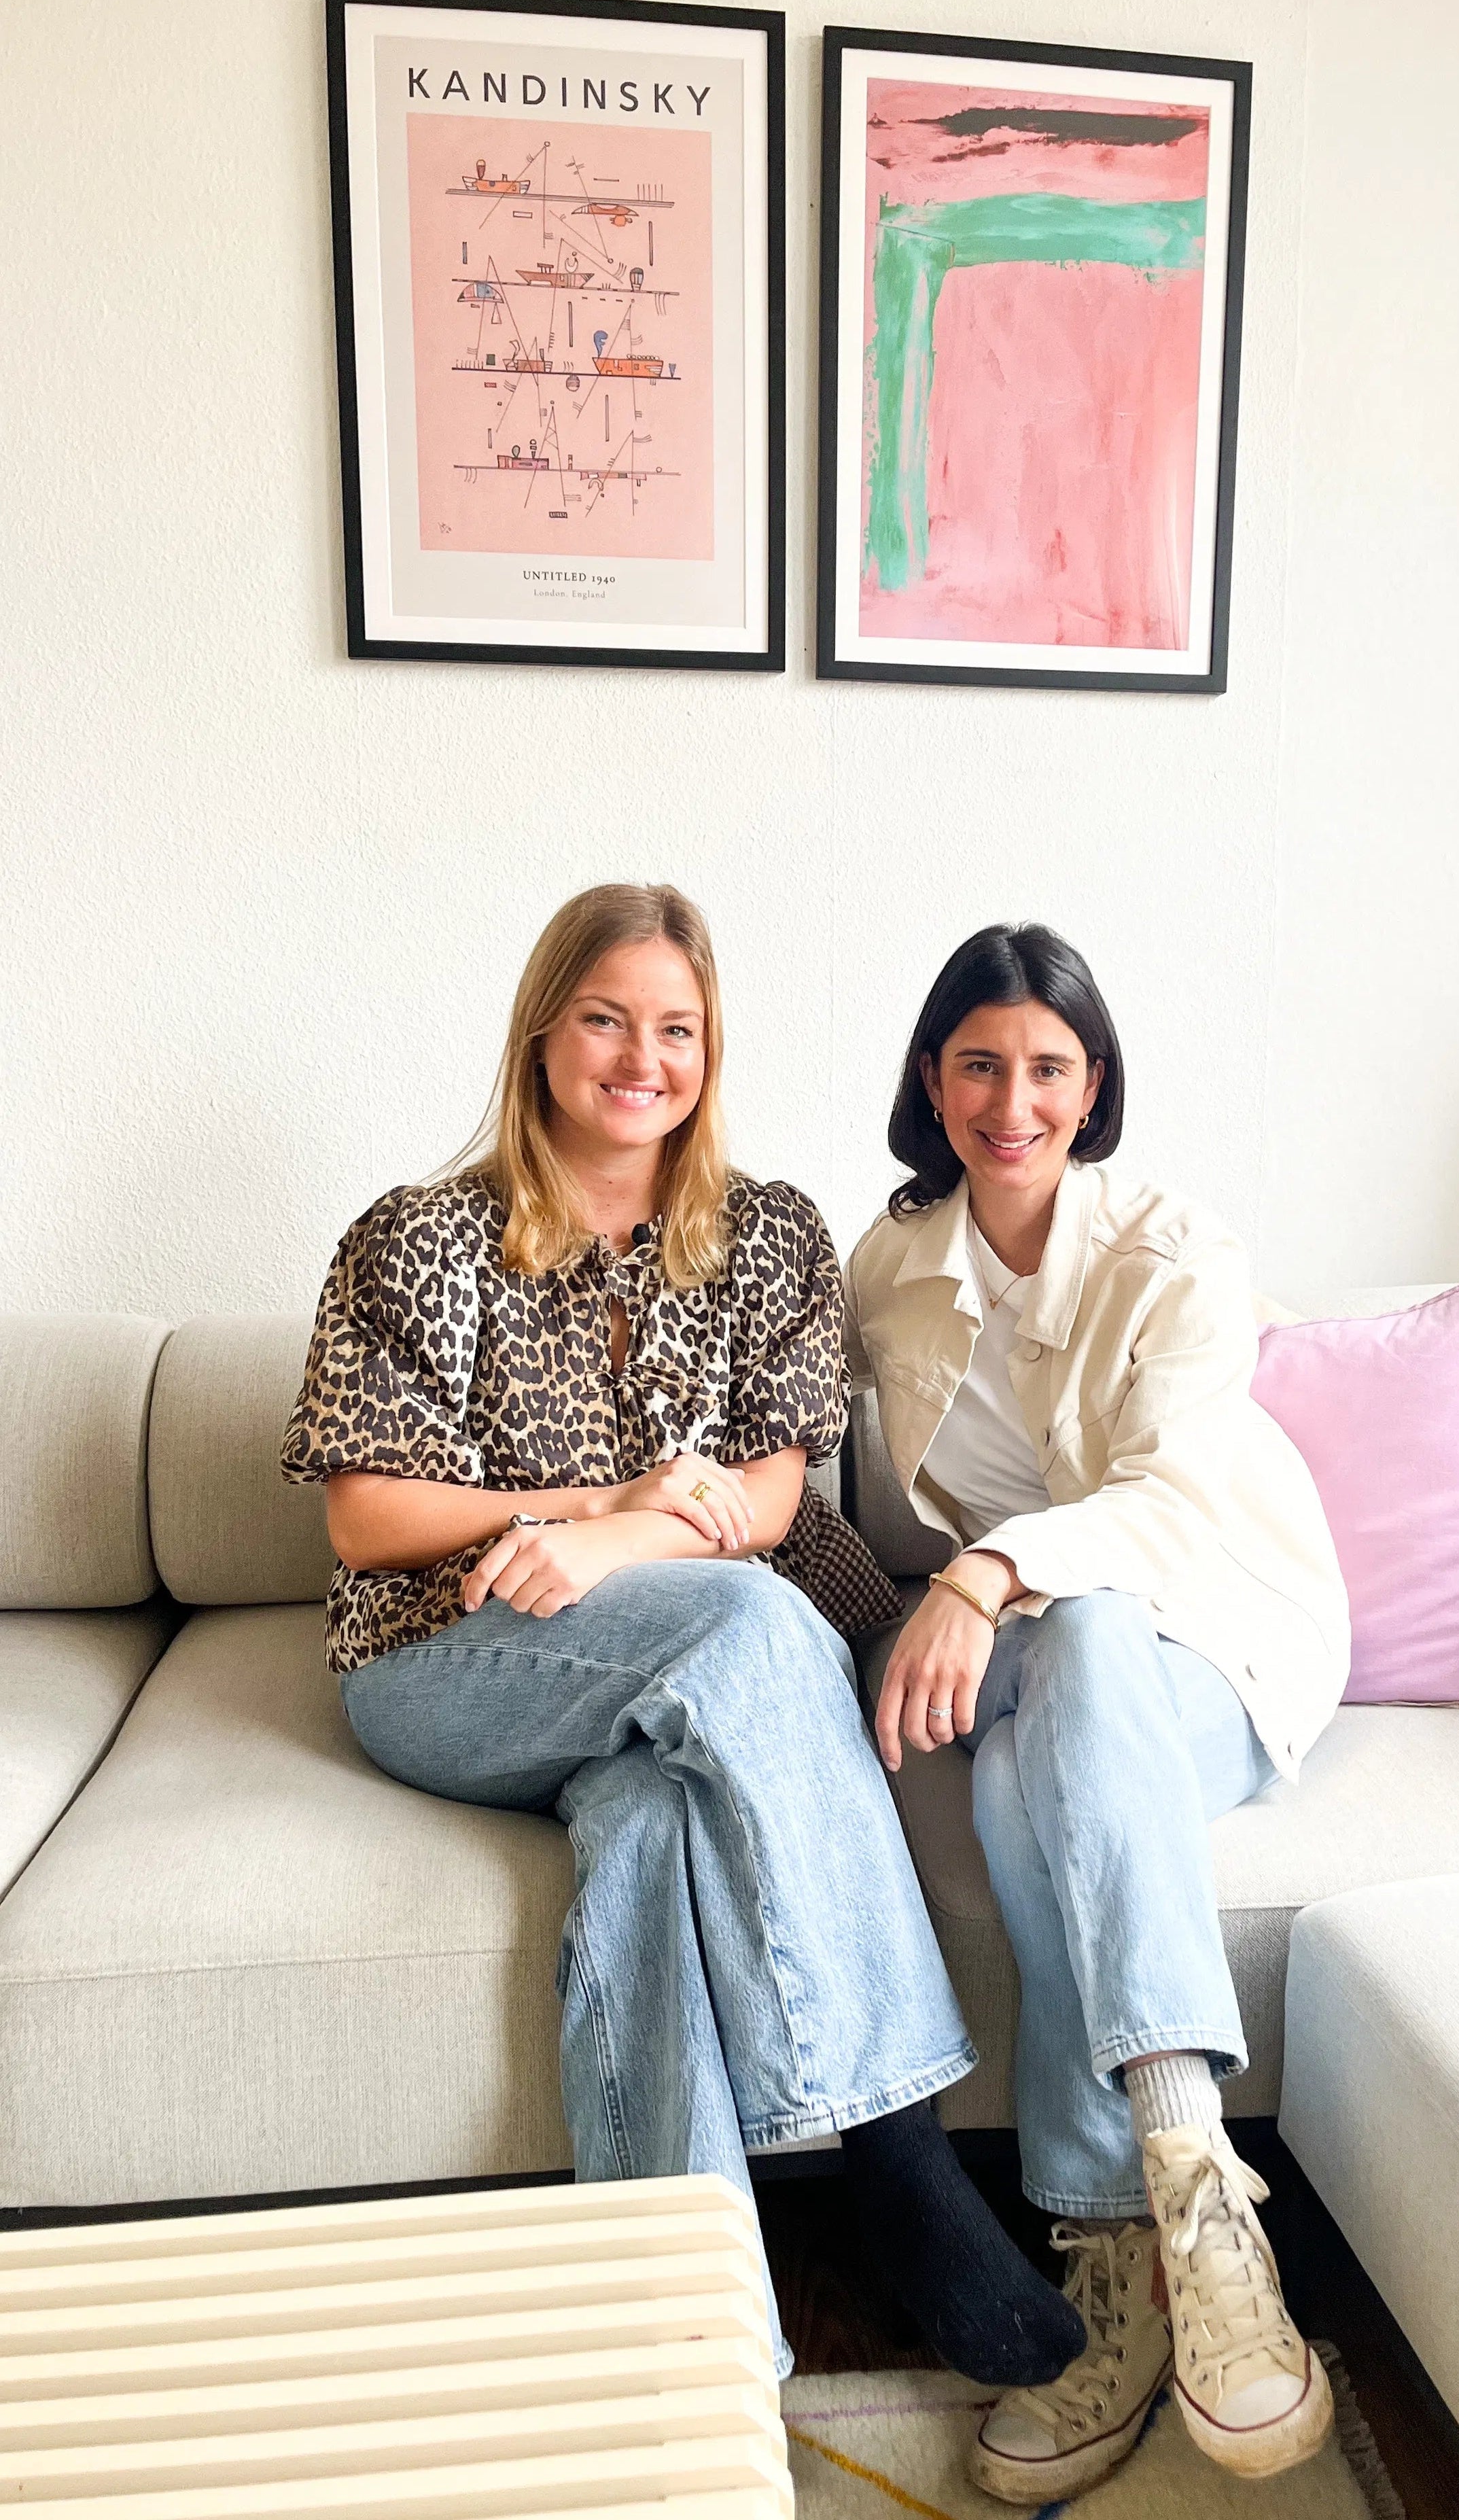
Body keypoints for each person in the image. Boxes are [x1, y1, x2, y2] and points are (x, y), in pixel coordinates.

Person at [281, 883, 1084, 2389]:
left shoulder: (767, 1233)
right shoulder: (415, 1237)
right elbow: (367, 1520)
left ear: (709, 1052)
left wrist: (611, 1545)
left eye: (675, 1028)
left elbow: (775, 1491)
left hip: (666, 1662)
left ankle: (681, 2322)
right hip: (444, 1661)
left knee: (653, 1820)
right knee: (749, 1625)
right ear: (542, 1034)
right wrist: (587, 1500)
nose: (639, 1058)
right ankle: (897, 2157)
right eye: (604, 1019)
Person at [845, 924, 1350, 2497]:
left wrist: (988, 1574)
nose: (1011, 1099)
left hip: (1213, 1635)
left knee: (1052, 1715)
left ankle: (1140, 2229)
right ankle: (1181, 2219)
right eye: (978, 1062)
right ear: (932, 1077)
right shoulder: (885, 1265)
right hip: (1033, 1656)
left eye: (1047, 1066)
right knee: (1047, 1705)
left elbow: (1167, 1502)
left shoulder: (1174, 1250)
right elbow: (827, 1476)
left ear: (1093, 1082)